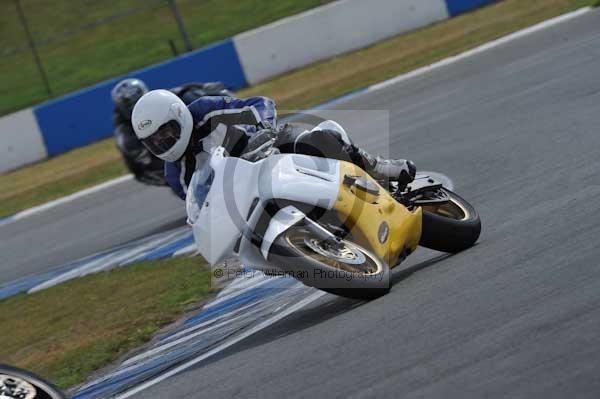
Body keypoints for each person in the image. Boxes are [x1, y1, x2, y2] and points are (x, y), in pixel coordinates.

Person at [131, 89, 416, 200]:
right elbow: (197, 205)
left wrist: (264, 127)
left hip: (268, 147)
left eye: (164, 132)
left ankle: (377, 167)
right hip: (244, 192)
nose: (162, 142)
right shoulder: (174, 174)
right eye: (153, 141)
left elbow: (258, 104)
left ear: (178, 116)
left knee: (317, 140)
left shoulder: (205, 111)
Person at [111, 78, 231, 185]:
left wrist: (208, 90)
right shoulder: (127, 137)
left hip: (197, 140)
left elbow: (186, 90)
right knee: (183, 178)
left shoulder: (163, 98)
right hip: (152, 167)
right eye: (130, 104)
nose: (137, 106)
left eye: (139, 99)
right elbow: (150, 162)